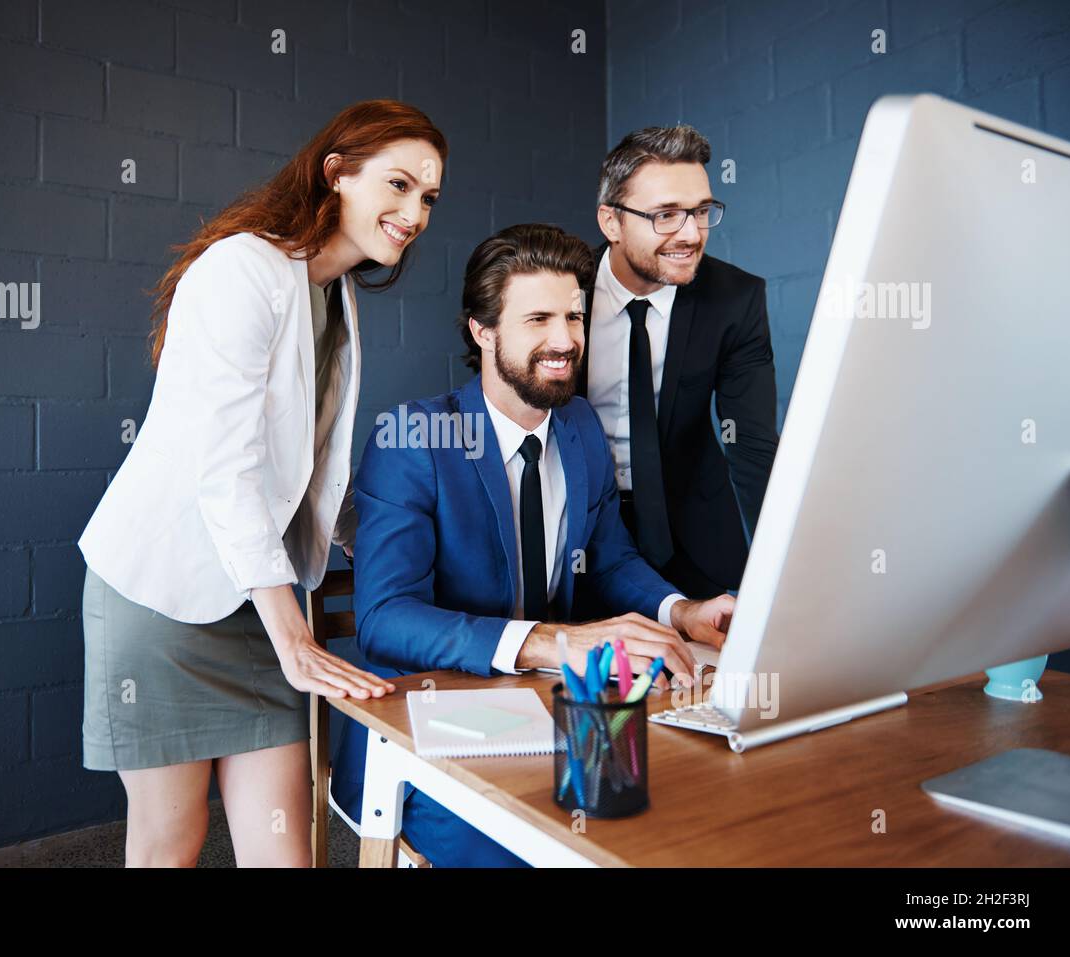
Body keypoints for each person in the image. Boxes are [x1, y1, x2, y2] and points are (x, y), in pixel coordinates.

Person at [76, 100, 447, 867]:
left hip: (264, 604)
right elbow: (229, 467)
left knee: (287, 851)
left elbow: (308, 475)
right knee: (169, 845)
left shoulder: (336, 297)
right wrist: (294, 636)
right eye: (400, 184)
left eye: (429, 198)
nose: (414, 213)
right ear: (335, 173)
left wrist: (398, 542)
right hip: (164, 595)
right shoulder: (243, 268)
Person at [331, 223, 735, 867]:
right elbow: (386, 620)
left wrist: (681, 612)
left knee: (674, 815)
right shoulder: (414, 437)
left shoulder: (577, 425)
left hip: (557, 707)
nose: (563, 339)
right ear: (482, 331)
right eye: (538, 318)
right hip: (432, 718)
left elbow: (610, 559)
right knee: (529, 852)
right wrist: (551, 640)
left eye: (574, 316)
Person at [577, 125, 779, 603]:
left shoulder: (735, 299)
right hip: (577, 534)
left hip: (691, 539)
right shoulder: (562, 288)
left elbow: (752, 446)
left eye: (702, 211)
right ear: (611, 222)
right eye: (666, 215)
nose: (691, 234)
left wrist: (781, 566)